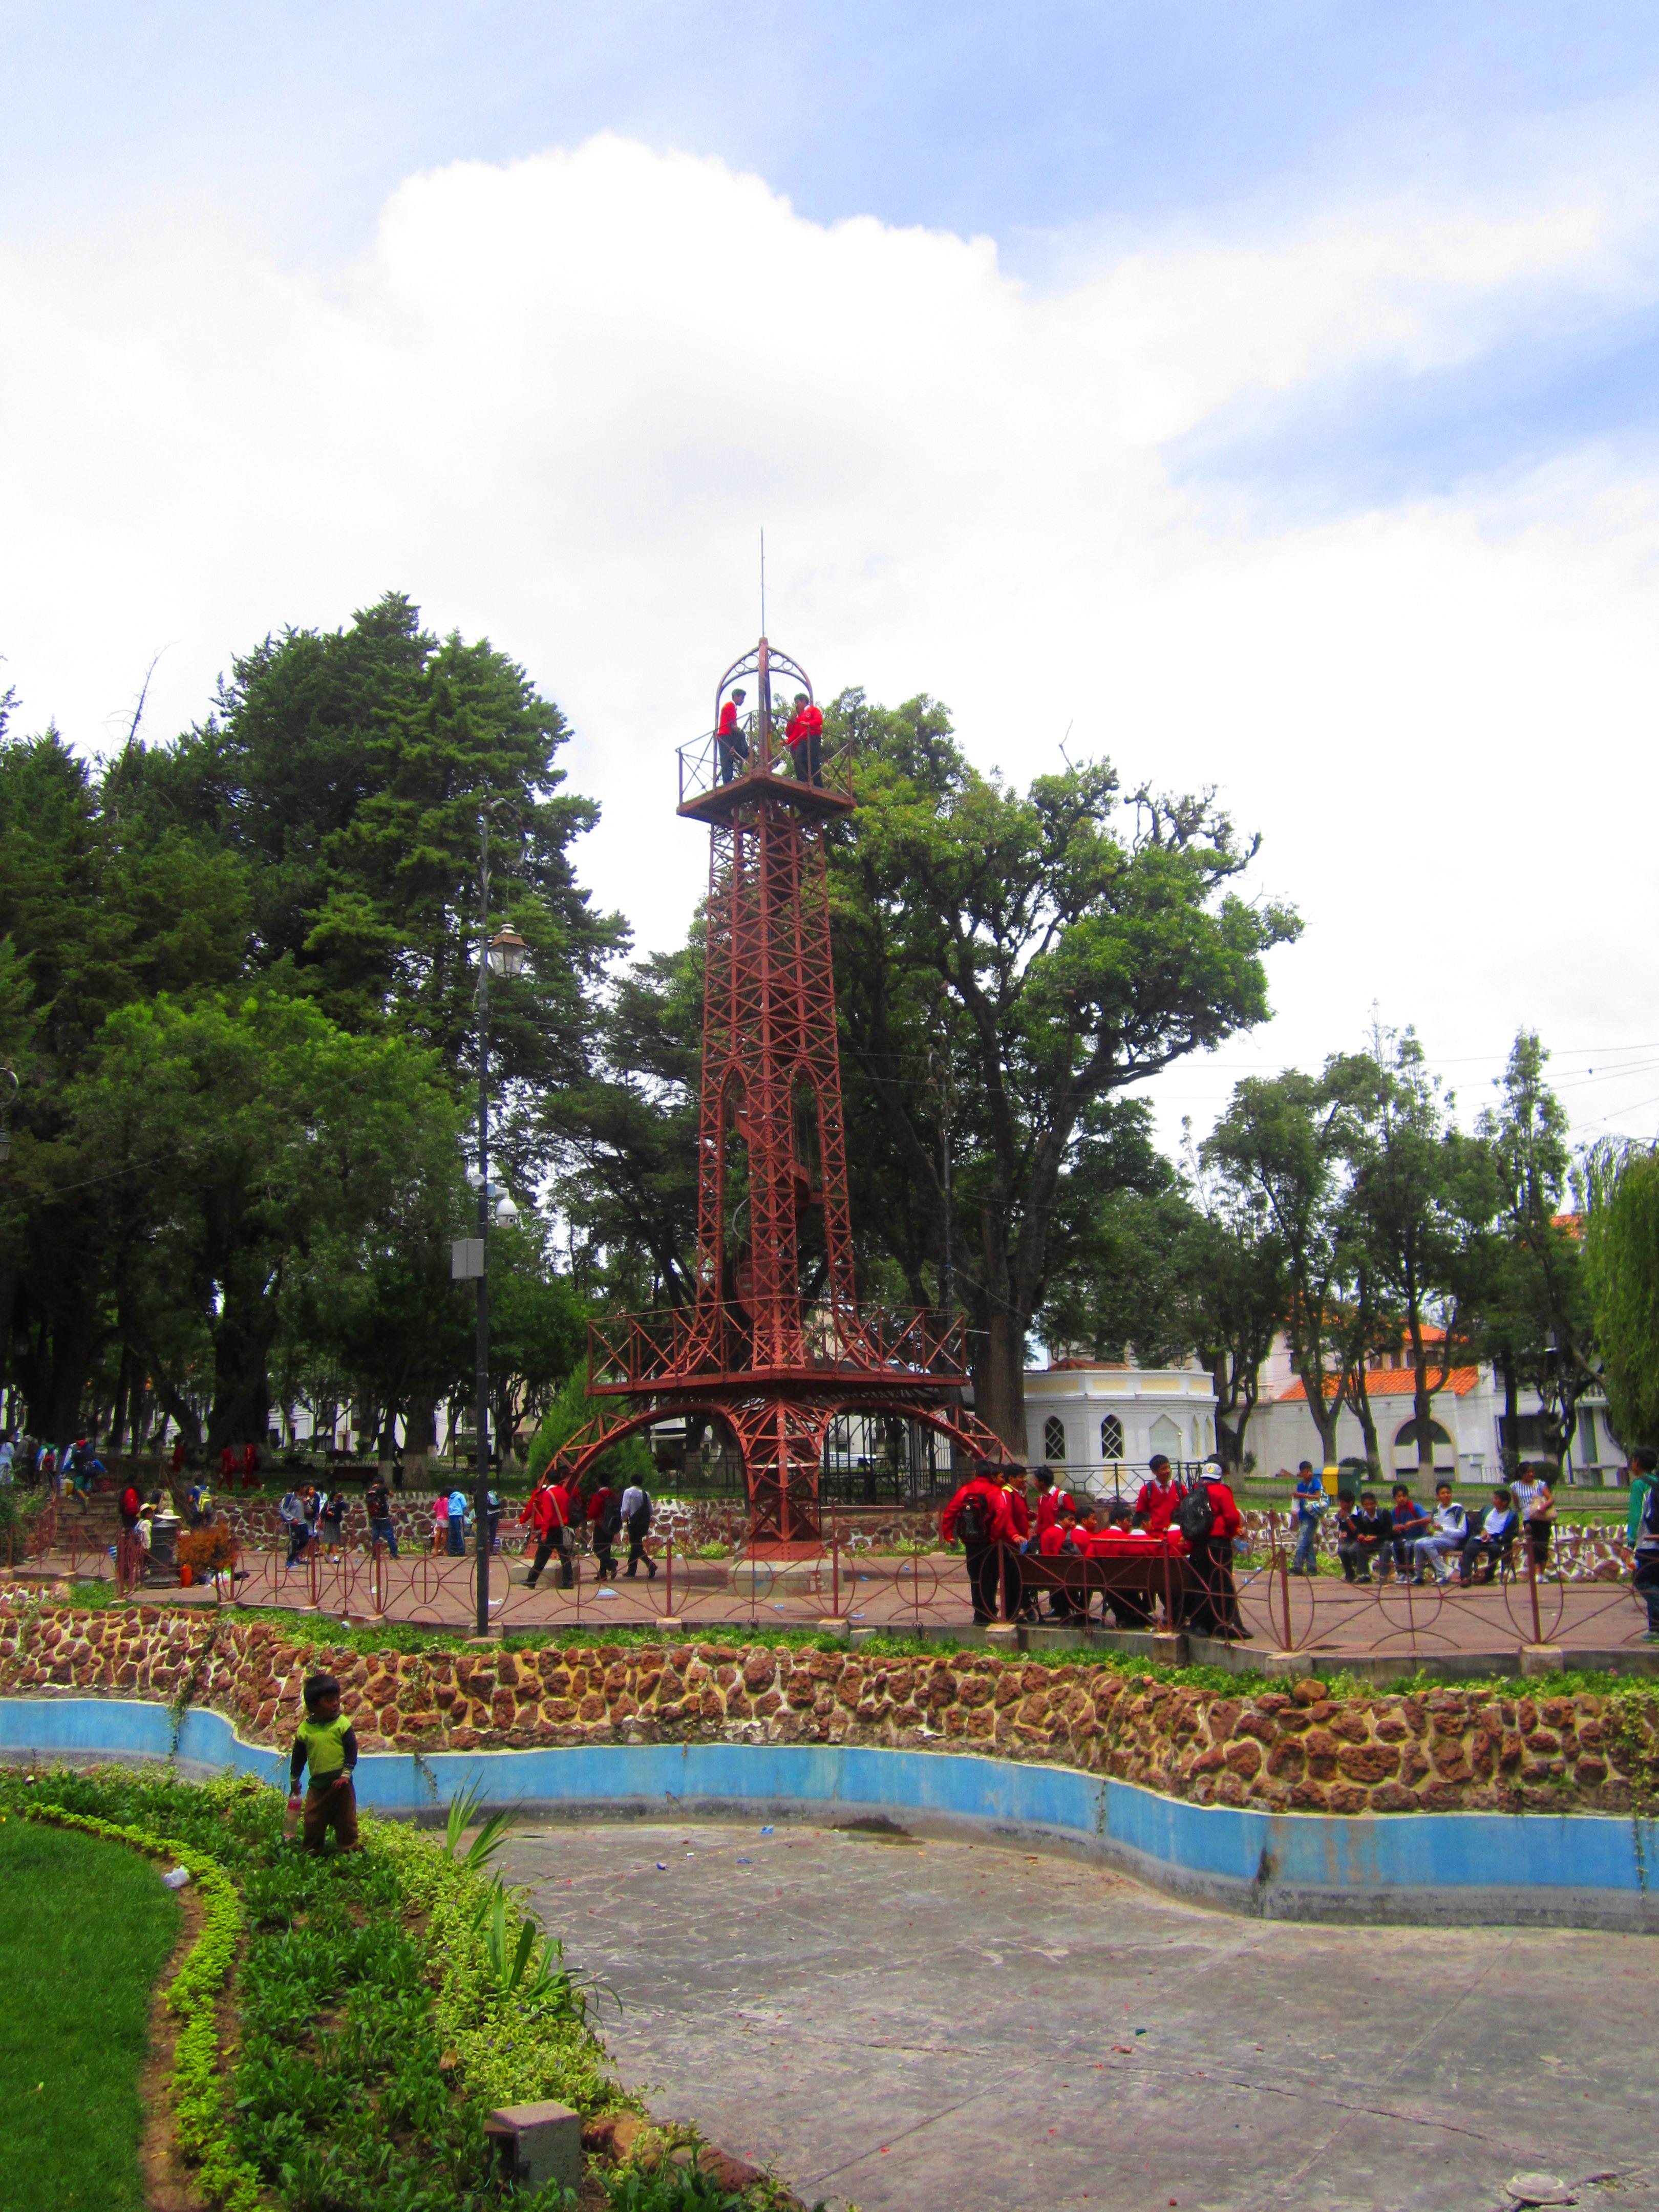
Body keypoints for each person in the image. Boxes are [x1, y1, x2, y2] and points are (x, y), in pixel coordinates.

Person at [287, 1672, 359, 1853]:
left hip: (342, 1786)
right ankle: (312, 1850)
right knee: (313, 1819)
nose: (335, 1704)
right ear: (313, 1707)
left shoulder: (342, 1724)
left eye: (337, 1699)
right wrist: (294, 1780)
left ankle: (349, 1849)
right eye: (329, 1701)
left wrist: (346, 1775)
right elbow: (299, 1757)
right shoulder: (305, 1730)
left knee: (347, 1821)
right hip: (318, 1787)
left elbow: (352, 1751)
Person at [1179, 1461, 1248, 1637]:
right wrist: (1234, 1531)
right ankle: (1223, 1624)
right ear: (1220, 1478)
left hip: (1199, 1543)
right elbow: (1232, 1516)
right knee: (1221, 1583)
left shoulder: (1195, 1492)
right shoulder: (1222, 1491)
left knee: (1202, 1583)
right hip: (1218, 1543)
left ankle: (1200, 1624)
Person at [940, 1466, 1010, 1624]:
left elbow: (950, 1512)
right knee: (990, 1579)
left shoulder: (965, 1491)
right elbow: (1002, 1514)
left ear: (976, 1474)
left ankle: (978, 1614)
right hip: (989, 1543)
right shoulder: (995, 1492)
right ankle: (988, 1612)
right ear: (991, 1476)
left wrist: (949, 1535)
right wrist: (995, 1536)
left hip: (971, 1543)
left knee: (975, 1578)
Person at [1410, 1481, 1468, 1586]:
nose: (1446, 1495)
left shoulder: (1458, 1510)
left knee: (1428, 1544)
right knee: (1418, 1543)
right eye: (1443, 1493)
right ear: (1438, 1496)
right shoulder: (1436, 1510)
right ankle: (1419, 1576)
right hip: (1436, 1539)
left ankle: (1442, 1575)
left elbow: (1462, 1532)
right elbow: (1433, 1528)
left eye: (1448, 1493)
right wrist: (1431, 1530)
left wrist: (1443, 1529)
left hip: (1451, 1540)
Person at [1460, 1487, 1520, 1584]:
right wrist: (1482, 1531)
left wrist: (1494, 1537)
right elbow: (1476, 1524)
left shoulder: (1512, 1516)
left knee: (1495, 1550)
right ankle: (1466, 1578)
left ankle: (1488, 1576)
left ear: (1504, 1503)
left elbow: (1512, 1534)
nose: (1494, 1501)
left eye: (1496, 1499)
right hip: (1481, 1538)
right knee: (1469, 1549)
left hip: (1497, 1541)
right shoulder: (1487, 1510)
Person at [1631, 1448, 1659, 1639]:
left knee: (1642, 1580)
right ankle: (1655, 1629)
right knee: (1656, 1582)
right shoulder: (1657, 1482)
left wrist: (1630, 1542)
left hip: (1647, 1543)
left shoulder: (1640, 1484)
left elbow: (1636, 1515)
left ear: (1637, 1463)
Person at [1511, 1461, 1556, 1570]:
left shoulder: (1540, 1484)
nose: (1531, 1474)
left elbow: (1551, 1499)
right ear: (1522, 1474)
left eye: (1532, 1472)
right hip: (1528, 1518)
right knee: (1533, 1544)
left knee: (1543, 1544)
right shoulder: (1515, 1486)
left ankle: (1542, 1572)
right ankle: (1536, 1572)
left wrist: (1543, 1507)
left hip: (1542, 1517)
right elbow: (1516, 1503)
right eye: (1528, 1472)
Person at [1346, 1492, 1393, 1583]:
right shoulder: (1361, 1515)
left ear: (1376, 1504)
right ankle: (1364, 1574)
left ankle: (1383, 1576)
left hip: (1382, 1541)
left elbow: (1389, 1534)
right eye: (1366, 1505)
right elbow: (1358, 1530)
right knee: (1354, 1549)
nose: (1369, 1507)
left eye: (1372, 1504)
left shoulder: (1384, 1514)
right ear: (1363, 1505)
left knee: (1386, 1546)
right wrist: (1360, 1536)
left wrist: (1376, 1538)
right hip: (1368, 1542)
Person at [1289, 1462, 1327, 1576]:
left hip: (1311, 1517)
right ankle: (1312, 1568)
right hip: (1303, 1516)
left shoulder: (1315, 1482)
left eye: (1309, 1471)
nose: (1308, 1474)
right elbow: (1298, 1501)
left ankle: (1298, 1567)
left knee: (1301, 1542)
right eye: (1305, 1472)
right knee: (1308, 1543)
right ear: (1301, 1473)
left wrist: (1303, 1496)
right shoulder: (1301, 1485)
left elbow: (1318, 1497)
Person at [1389, 1484, 1429, 1578]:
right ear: (1395, 1499)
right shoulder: (1395, 1512)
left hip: (1420, 1537)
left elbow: (1427, 1519)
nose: (1402, 1499)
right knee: (1393, 1545)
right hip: (1405, 1538)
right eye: (1399, 1497)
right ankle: (1401, 1572)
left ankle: (1411, 1572)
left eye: (1404, 1496)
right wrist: (1395, 1528)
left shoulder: (1416, 1507)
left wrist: (1413, 1523)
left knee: (1408, 1545)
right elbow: (1392, 1527)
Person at [620, 1476, 656, 1580]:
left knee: (636, 1546)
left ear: (631, 1481)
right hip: (643, 1524)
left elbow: (625, 1509)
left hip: (633, 1523)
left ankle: (650, 1565)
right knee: (636, 1545)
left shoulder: (629, 1492)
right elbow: (651, 1510)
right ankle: (631, 1570)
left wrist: (622, 1519)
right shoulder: (646, 1494)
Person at [1133, 1455, 1179, 1536]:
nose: (1168, 1471)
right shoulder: (1147, 1491)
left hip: (1176, 1536)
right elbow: (1141, 1515)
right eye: (1164, 1469)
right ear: (1155, 1472)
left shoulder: (1179, 1488)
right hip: (1155, 1537)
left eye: (1169, 1467)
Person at [785, 692, 823, 785]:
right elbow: (796, 733)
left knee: (813, 760)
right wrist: (787, 742)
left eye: (797, 703)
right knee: (799, 758)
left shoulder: (813, 710)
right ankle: (802, 781)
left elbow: (819, 720)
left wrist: (809, 724)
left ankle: (818, 784)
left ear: (804, 702)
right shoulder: (800, 717)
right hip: (803, 739)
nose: (796, 705)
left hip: (813, 737)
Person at [587, 1480, 620, 1580]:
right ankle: (602, 1574)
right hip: (612, 1525)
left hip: (600, 1525)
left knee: (597, 1549)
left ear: (598, 1484)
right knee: (606, 1549)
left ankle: (611, 1563)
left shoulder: (597, 1497)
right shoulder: (614, 1496)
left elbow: (592, 1513)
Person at [716, 687, 749, 782]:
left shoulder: (730, 706)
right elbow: (733, 725)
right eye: (742, 698)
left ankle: (728, 780)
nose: (743, 701)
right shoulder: (730, 706)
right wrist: (739, 732)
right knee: (727, 758)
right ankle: (727, 781)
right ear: (736, 697)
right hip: (725, 735)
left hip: (725, 735)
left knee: (727, 758)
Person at [364, 1472, 398, 1559]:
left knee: (375, 1537)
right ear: (382, 1482)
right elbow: (391, 1495)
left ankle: (375, 1555)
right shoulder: (382, 1488)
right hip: (383, 1516)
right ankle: (393, 1554)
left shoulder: (370, 1490)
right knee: (390, 1535)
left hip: (374, 1517)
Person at [279, 1482, 314, 1567]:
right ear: (300, 1488)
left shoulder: (303, 1498)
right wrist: (291, 1518)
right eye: (305, 1487)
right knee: (294, 1541)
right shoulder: (290, 1497)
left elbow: (309, 1510)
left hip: (303, 1523)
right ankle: (290, 1560)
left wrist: (306, 1503)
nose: (306, 1489)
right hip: (293, 1524)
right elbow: (283, 1509)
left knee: (305, 1540)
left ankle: (295, 1555)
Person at [316, 1487, 346, 1558]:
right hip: (329, 1523)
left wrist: (341, 1500)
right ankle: (335, 1557)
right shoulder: (329, 1503)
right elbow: (323, 1512)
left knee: (334, 1540)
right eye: (336, 1497)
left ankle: (328, 1555)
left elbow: (344, 1507)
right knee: (332, 1540)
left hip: (336, 1523)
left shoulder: (339, 1503)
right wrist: (328, 1513)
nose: (337, 1498)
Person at [445, 1482, 469, 1557]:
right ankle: (461, 1551)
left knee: (452, 1533)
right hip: (458, 1515)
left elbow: (448, 1507)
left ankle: (452, 1551)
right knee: (460, 1533)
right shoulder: (460, 1496)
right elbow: (464, 1505)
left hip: (451, 1516)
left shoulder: (450, 1498)